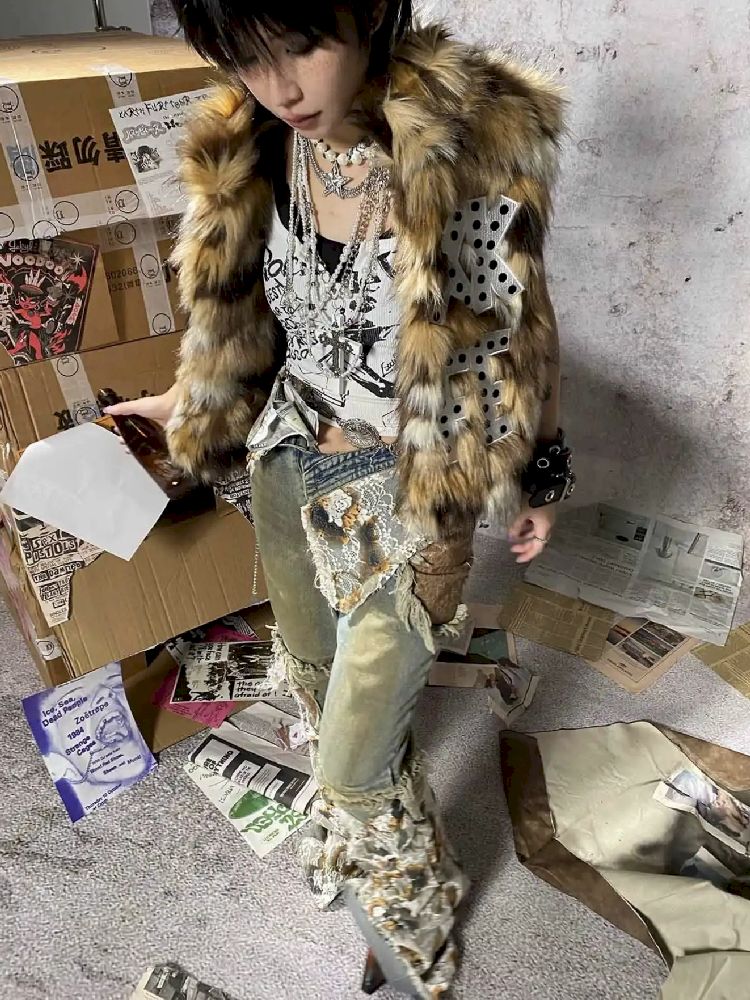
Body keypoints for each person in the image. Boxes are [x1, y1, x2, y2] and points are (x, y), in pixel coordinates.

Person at [105, 2, 574, 994]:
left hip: (406, 493)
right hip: (284, 462)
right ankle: (369, 844)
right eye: (248, 55)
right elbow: (255, 330)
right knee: (317, 684)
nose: (280, 87)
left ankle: (414, 929)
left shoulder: (459, 155)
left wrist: (541, 470)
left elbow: (523, 333)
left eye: (301, 46)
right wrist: (179, 402)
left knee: (358, 766)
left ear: (368, 13)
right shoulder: (254, 149)